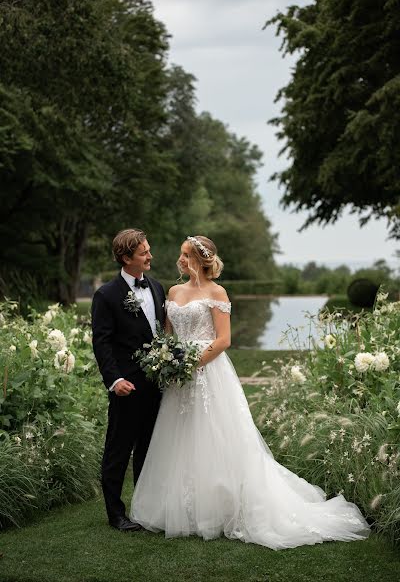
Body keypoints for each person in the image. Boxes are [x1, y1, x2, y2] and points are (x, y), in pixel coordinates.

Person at [130, 235, 370, 549]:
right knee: (179, 435)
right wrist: (168, 361)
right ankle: (182, 507)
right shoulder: (174, 291)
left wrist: (191, 364)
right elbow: (169, 334)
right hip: (178, 376)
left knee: (214, 434)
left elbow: (224, 339)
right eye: (181, 255)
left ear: (201, 260)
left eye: (186, 255)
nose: (180, 260)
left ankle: (222, 505)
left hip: (208, 371)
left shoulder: (217, 292)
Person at [92, 229, 165, 531]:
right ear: (126, 258)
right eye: (144, 252)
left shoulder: (158, 288)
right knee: (118, 450)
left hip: (157, 385)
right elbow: (102, 342)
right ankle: (116, 514)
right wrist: (114, 379)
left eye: (149, 249)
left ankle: (144, 508)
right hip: (127, 387)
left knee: (149, 449)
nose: (150, 256)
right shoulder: (106, 295)